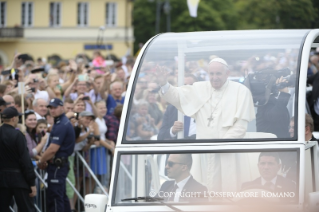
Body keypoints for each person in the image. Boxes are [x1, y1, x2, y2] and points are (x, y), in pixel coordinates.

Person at [157, 58, 255, 139]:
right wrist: (164, 84)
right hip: (202, 149)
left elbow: (240, 126)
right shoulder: (199, 88)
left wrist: (222, 145)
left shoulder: (241, 91)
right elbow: (177, 95)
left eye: (218, 73)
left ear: (227, 73)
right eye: (211, 74)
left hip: (227, 149)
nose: (214, 77)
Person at [37, 98, 75, 212]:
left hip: (58, 165)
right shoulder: (59, 123)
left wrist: (41, 160)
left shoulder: (61, 124)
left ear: (62, 108)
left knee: (55, 198)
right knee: (61, 196)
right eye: (51, 108)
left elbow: (53, 149)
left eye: (55, 107)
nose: (52, 110)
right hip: (58, 165)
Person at [0, 107, 36, 211]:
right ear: (14, 118)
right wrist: (32, 182)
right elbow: (25, 160)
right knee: (27, 209)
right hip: (18, 179)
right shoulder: (18, 135)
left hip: (2, 179)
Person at [158, 75, 197, 140]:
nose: (187, 88)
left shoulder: (205, 108)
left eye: (191, 85)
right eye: (184, 85)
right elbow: (160, 137)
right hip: (175, 148)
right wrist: (172, 131)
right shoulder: (171, 109)